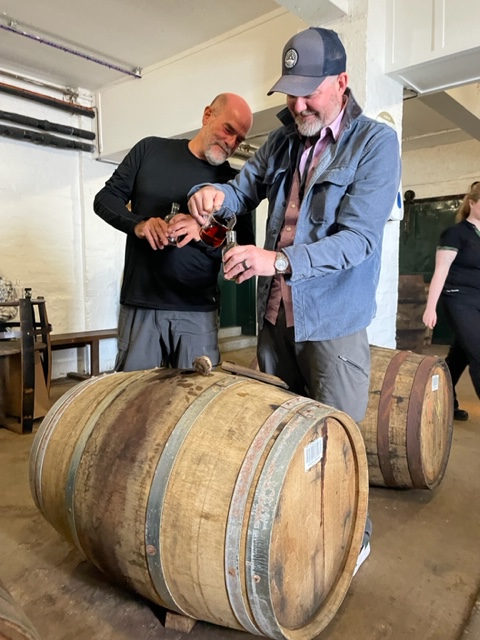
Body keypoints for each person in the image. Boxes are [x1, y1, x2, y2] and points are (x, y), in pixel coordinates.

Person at [189, 27, 401, 574]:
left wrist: (277, 261)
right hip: (276, 319)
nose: (298, 105)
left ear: (342, 81)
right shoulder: (282, 141)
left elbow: (358, 240)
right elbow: (241, 191)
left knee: (337, 440)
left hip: (332, 324)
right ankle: (300, 529)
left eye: (309, 92)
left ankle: (353, 540)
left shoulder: (374, 143)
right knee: (284, 438)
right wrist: (209, 194)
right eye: (290, 93)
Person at [93, 93, 254, 371]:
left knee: (197, 395)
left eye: (239, 139)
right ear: (207, 115)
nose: (231, 143)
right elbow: (105, 199)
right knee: (134, 394)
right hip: (141, 304)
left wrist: (203, 229)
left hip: (198, 311)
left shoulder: (233, 185)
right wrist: (139, 224)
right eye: (228, 130)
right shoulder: (150, 151)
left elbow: (244, 244)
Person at [423, 182, 480, 419]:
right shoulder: (456, 233)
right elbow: (441, 271)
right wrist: (430, 308)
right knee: (478, 351)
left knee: (462, 353)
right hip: (458, 298)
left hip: (477, 297)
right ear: (472, 203)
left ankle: (445, 399)